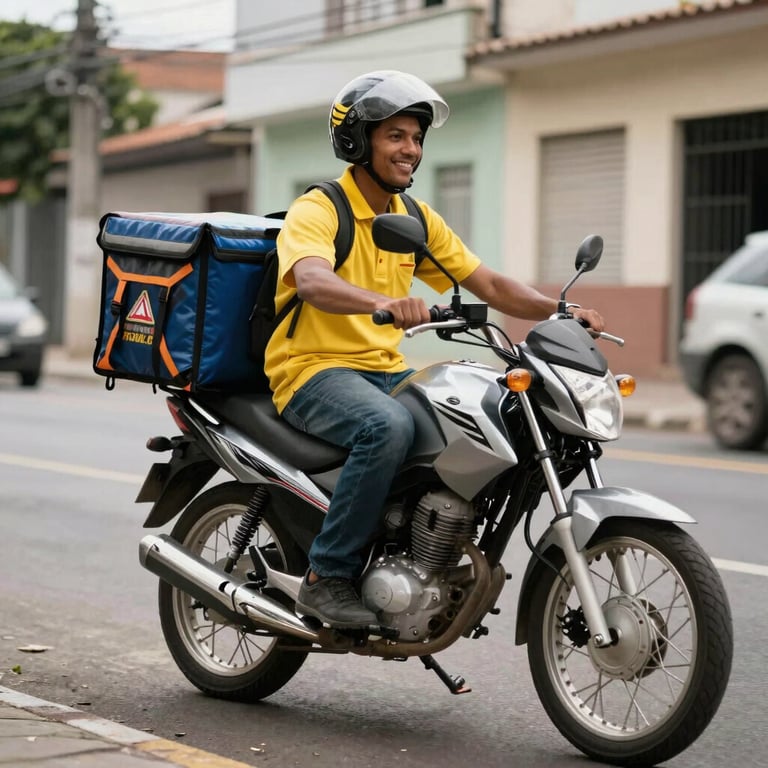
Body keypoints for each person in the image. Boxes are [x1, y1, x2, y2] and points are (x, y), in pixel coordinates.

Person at [264, 70, 605, 630]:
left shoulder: (415, 218)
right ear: (358, 140)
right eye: (396, 135)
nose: (411, 150)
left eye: (417, 138)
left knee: (486, 419)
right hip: (312, 369)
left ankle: (425, 555)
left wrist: (557, 310)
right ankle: (327, 575)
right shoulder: (320, 209)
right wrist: (384, 302)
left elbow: (489, 284)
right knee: (387, 429)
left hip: (385, 369)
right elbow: (311, 281)